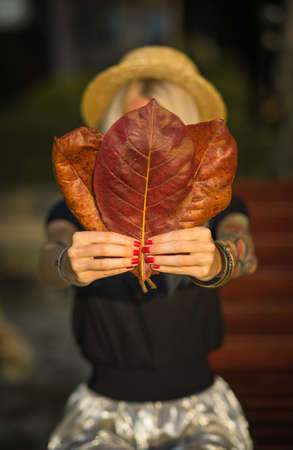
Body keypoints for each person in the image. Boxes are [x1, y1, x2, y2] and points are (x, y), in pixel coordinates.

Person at [39, 46, 257, 450]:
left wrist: (220, 261)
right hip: (104, 411)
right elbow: (52, 252)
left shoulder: (216, 202)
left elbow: (243, 248)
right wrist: (65, 264)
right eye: (131, 126)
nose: (146, 140)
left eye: (165, 126)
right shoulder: (80, 206)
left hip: (198, 408)